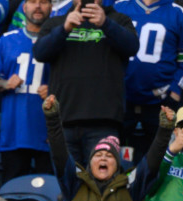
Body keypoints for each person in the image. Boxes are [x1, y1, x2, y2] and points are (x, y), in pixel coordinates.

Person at [33, 0, 138, 163]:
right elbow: (40, 53)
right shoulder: (56, 23)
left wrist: (105, 24)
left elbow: (132, 47)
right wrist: (64, 29)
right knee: (67, 184)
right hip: (63, 122)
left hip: (104, 122)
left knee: (102, 186)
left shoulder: (118, 20)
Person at [114, 0, 183, 160]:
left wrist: (175, 92)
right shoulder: (120, 7)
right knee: (113, 157)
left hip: (161, 102)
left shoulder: (178, 13)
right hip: (120, 99)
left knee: (160, 159)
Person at [0, 0, 51, 180]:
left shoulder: (59, 41)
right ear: (24, 7)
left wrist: (55, 91)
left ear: (51, 7)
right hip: (14, 133)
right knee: (13, 194)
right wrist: (5, 84)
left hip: (49, 134)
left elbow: (72, 83)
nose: (38, 6)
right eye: (33, 2)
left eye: (43, 2)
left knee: (51, 193)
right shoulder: (7, 40)